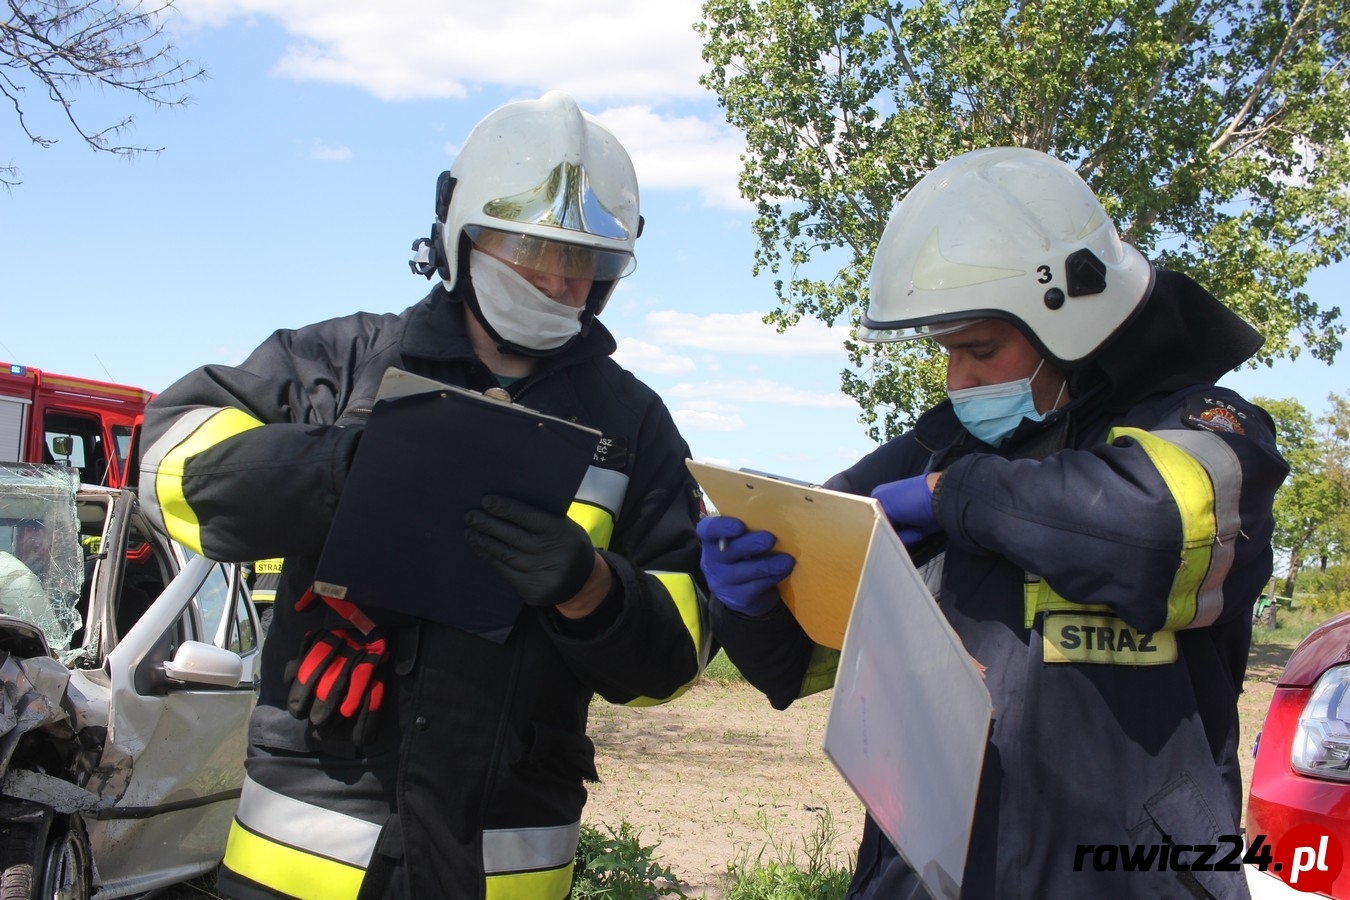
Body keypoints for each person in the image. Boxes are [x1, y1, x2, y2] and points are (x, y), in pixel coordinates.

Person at [139, 91, 710, 900]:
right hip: (299, 865)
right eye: (530, 246)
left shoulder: (633, 425)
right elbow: (168, 463)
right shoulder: (342, 364)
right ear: (458, 231)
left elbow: (678, 655)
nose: (558, 280)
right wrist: (331, 472)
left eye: (583, 260)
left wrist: (592, 591)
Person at [699, 147, 1288, 899]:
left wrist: (954, 496)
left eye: (980, 348)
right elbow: (802, 661)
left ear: (1072, 321)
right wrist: (754, 601)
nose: (959, 379)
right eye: (947, 353)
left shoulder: (1206, 428)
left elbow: (1156, 534)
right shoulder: (934, 447)